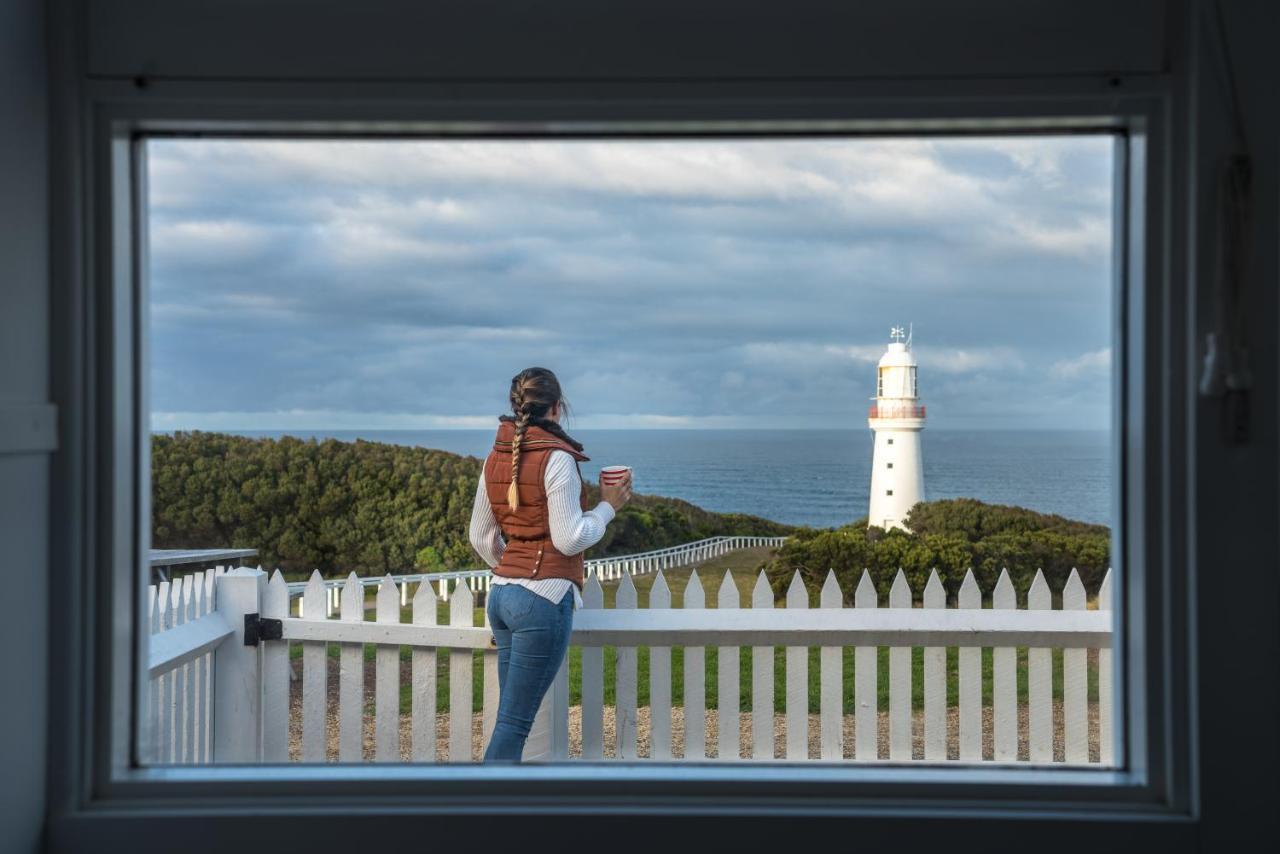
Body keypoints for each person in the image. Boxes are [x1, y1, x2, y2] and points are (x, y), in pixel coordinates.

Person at [468, 366, 632, 761]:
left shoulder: (495, 456)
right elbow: (570, 537)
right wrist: (608, 508)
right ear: (557, 408)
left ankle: (500, 808)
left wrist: (512, 567)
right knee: (514, 725)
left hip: (502, 597)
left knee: (509, 719)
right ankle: (481, 812)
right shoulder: (557, 458)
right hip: (541, 600)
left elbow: (480, 537)